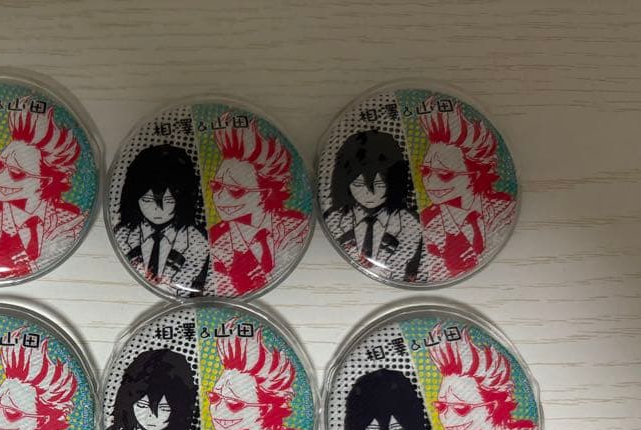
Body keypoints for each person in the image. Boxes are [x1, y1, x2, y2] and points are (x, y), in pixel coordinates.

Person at [0, 100, 84, 278]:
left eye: (16, 172)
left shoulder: (70, 219)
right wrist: (48, 252)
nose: (0, 177)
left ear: (46, 181)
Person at [208, 118, 310, 296]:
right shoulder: (212, 243)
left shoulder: (299, 226)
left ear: (268, 192)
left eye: (235, 190)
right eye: (216, 186)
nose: (219, 197)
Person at [418, 101, 516, 277]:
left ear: (476, 174)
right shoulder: (424, 225)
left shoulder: (506, 208)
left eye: (444, 173)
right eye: (425, 170)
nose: (430, 181)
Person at [324, 130, 423, 282]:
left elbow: (410, 272)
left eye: (379, 184)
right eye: (358, 184)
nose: (369, 194)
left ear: (394, 182)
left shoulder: (412, 224)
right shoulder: (333, 218)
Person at [114, 144, 209, 296]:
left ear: (182, 200)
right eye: (147, 200)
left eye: (169, 201)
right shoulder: (122, 234)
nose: (158, 209)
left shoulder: (198, 242)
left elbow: (188, 288)